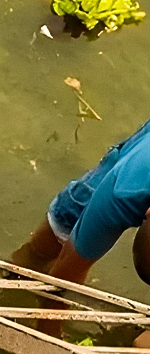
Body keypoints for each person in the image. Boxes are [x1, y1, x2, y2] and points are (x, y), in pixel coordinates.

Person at [12, 119, 150, 288]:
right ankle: (28, 262)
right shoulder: (121, 195)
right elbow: (62, 281)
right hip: (132, 176)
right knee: (65, 225)